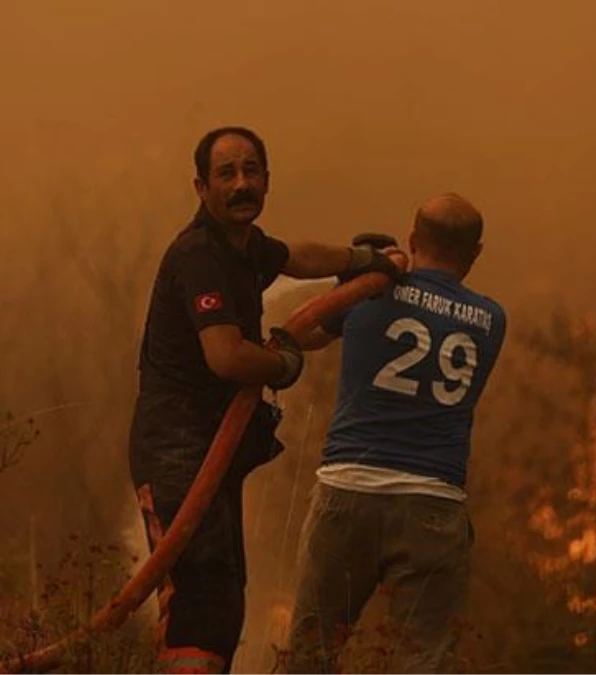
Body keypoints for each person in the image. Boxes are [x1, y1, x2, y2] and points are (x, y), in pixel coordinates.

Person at [128, 126, 404, 675]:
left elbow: (295, 257)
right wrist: (283, 362)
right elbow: (226, 357)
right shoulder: (199, 257)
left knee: (224, 596)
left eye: (251, 171)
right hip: (177, 453)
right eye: (226, 173)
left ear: (267, 180)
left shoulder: (245, 246)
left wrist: (360, 261)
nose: (241, 184)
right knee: (200, 601)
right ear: (201, 187)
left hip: (211, 450)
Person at [284, 193, 507, 674]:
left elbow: (298, 336)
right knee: (421, 661)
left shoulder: (371, 293)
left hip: (348, 490)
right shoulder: (493, 319)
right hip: (434, 502)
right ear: (476, 253)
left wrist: (362, 275)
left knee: (309, 652)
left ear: (411, 238)